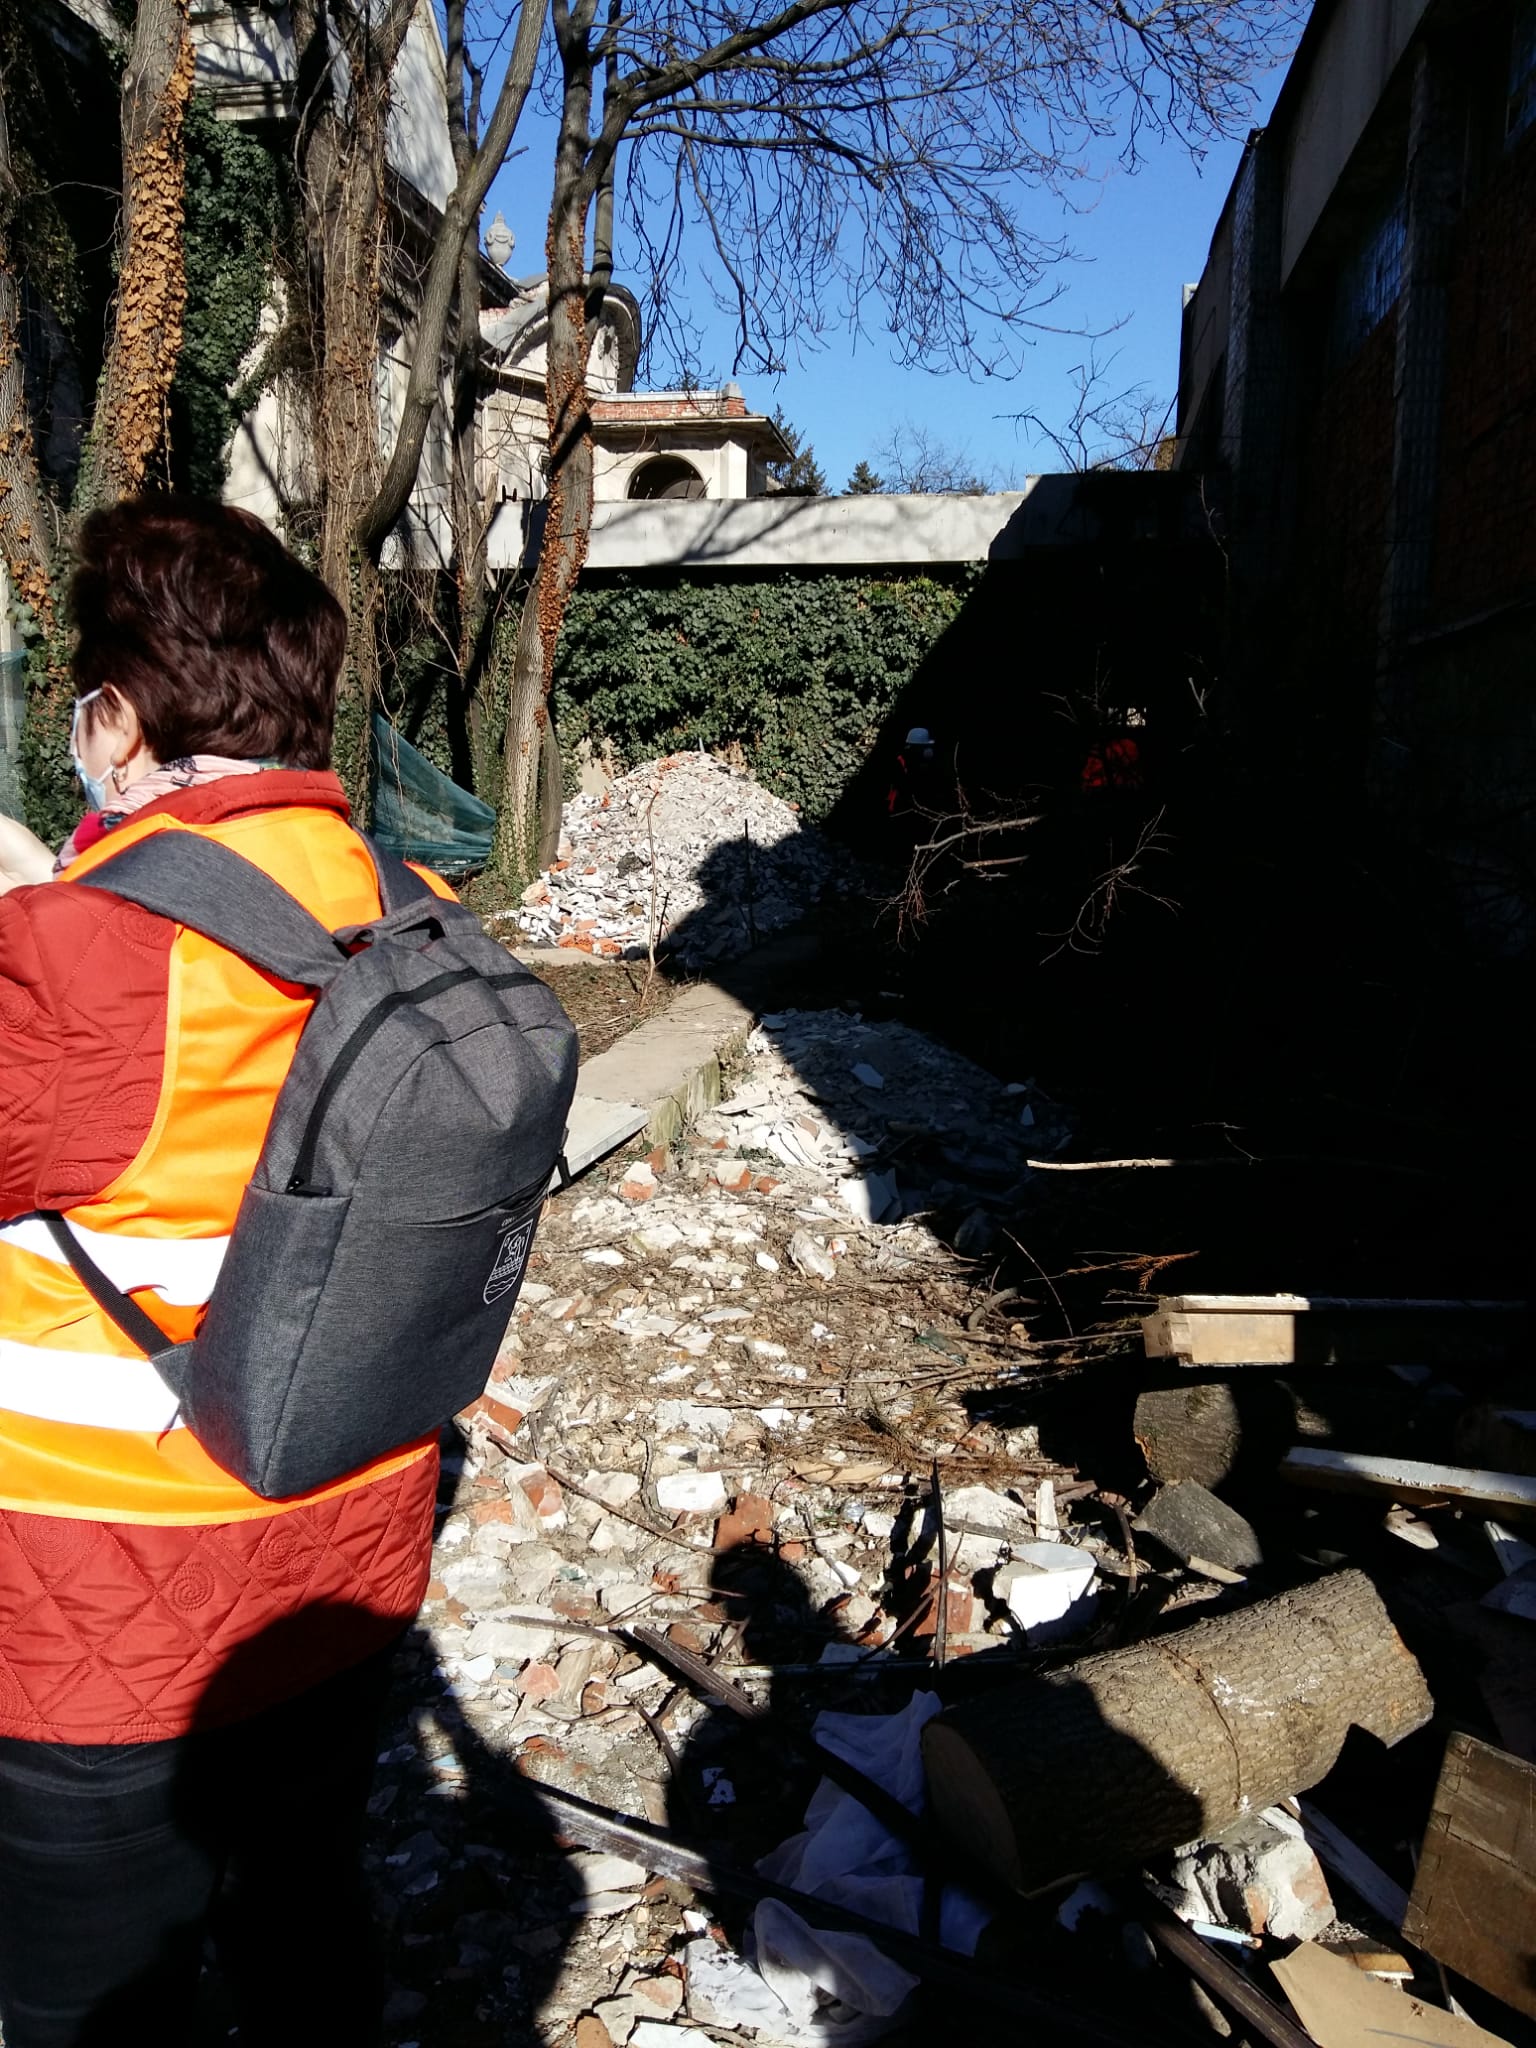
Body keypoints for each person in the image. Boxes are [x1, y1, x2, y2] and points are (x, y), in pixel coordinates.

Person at [0, 499, 449, 2046]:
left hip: (105, 1615)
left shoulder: (79, 958)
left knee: (89, 2005)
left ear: (119, 717)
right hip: (347, 1560)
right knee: (310, 1924)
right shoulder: (411, 917)